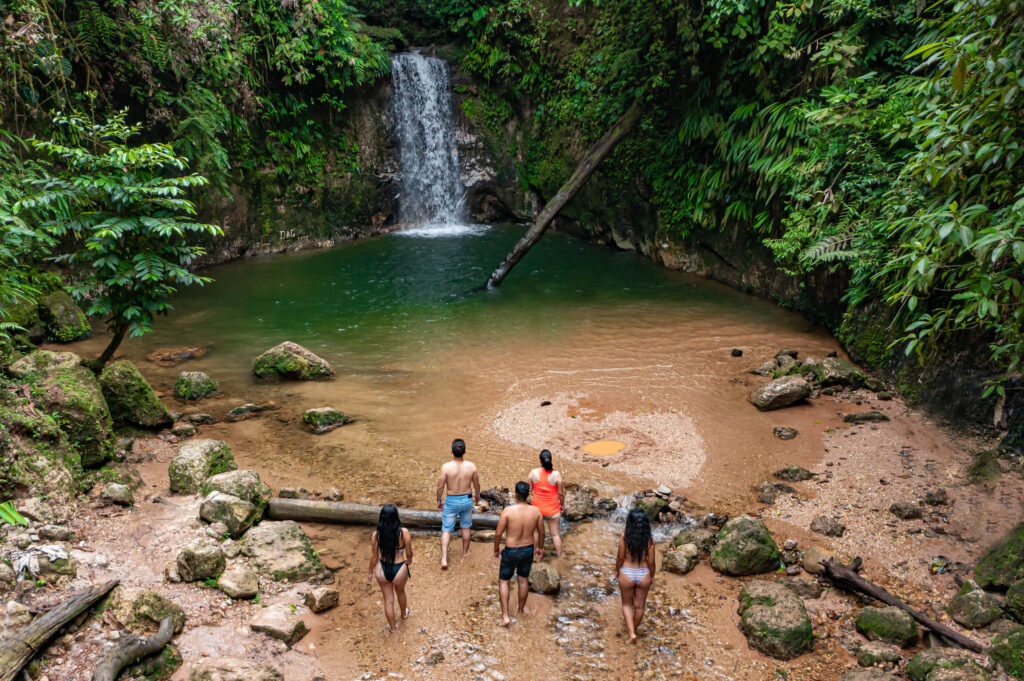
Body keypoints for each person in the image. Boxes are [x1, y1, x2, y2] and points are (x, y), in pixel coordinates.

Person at [493, 481, 544, 626]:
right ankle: (520, 611)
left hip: (511, 551)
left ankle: (505, 616)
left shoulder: (508, 511)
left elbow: (498, 534)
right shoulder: (536, 511)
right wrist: (539, 548)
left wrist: (496, 550)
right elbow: (541, 532)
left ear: (515, 495)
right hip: (527, 550)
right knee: (523, 581)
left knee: (504, 581)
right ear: (528, 494)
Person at [368, 504, 413, 632]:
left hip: (382, 568)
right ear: (396, 516)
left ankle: (392, 628)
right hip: (399, 568)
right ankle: (404, 614)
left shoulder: (377, 535)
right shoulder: (403, 532)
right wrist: (409, 561)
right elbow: (409, 552)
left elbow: (374, 556)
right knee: (401, 592)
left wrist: (370, 571)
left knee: (388, 600)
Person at [436, 438, 480, 569]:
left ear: (451, 451)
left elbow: (440, 486)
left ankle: (444, 559)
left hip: (451, 500)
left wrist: (439, 500)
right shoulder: (471, 466)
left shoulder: (446, 467)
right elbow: (477, 484)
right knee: (466, 527)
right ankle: (465, 553)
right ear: (465, 451)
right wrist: (477, 496)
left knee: (446, 529)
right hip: (467, 499)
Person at [615, 508, 656, 643]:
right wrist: (652, 576)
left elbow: (620, 558)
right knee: (639, 606)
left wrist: (617, 570)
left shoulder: (624, 537)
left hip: (627, 573)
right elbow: (651, 562)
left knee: (627, 605)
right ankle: (634, 629)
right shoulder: (649, 540)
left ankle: (632, 633)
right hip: (643, 573)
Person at [529, 449, 565, 558]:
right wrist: (562, 505)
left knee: (535, 533)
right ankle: (559, 557)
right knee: (555, 534)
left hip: (537, 509)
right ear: (550, 460)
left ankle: (535, 554)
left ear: (540, 461)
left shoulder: (533, 473)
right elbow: (560, 494)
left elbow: (530, 490)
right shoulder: (556, 475)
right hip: (553, 509)